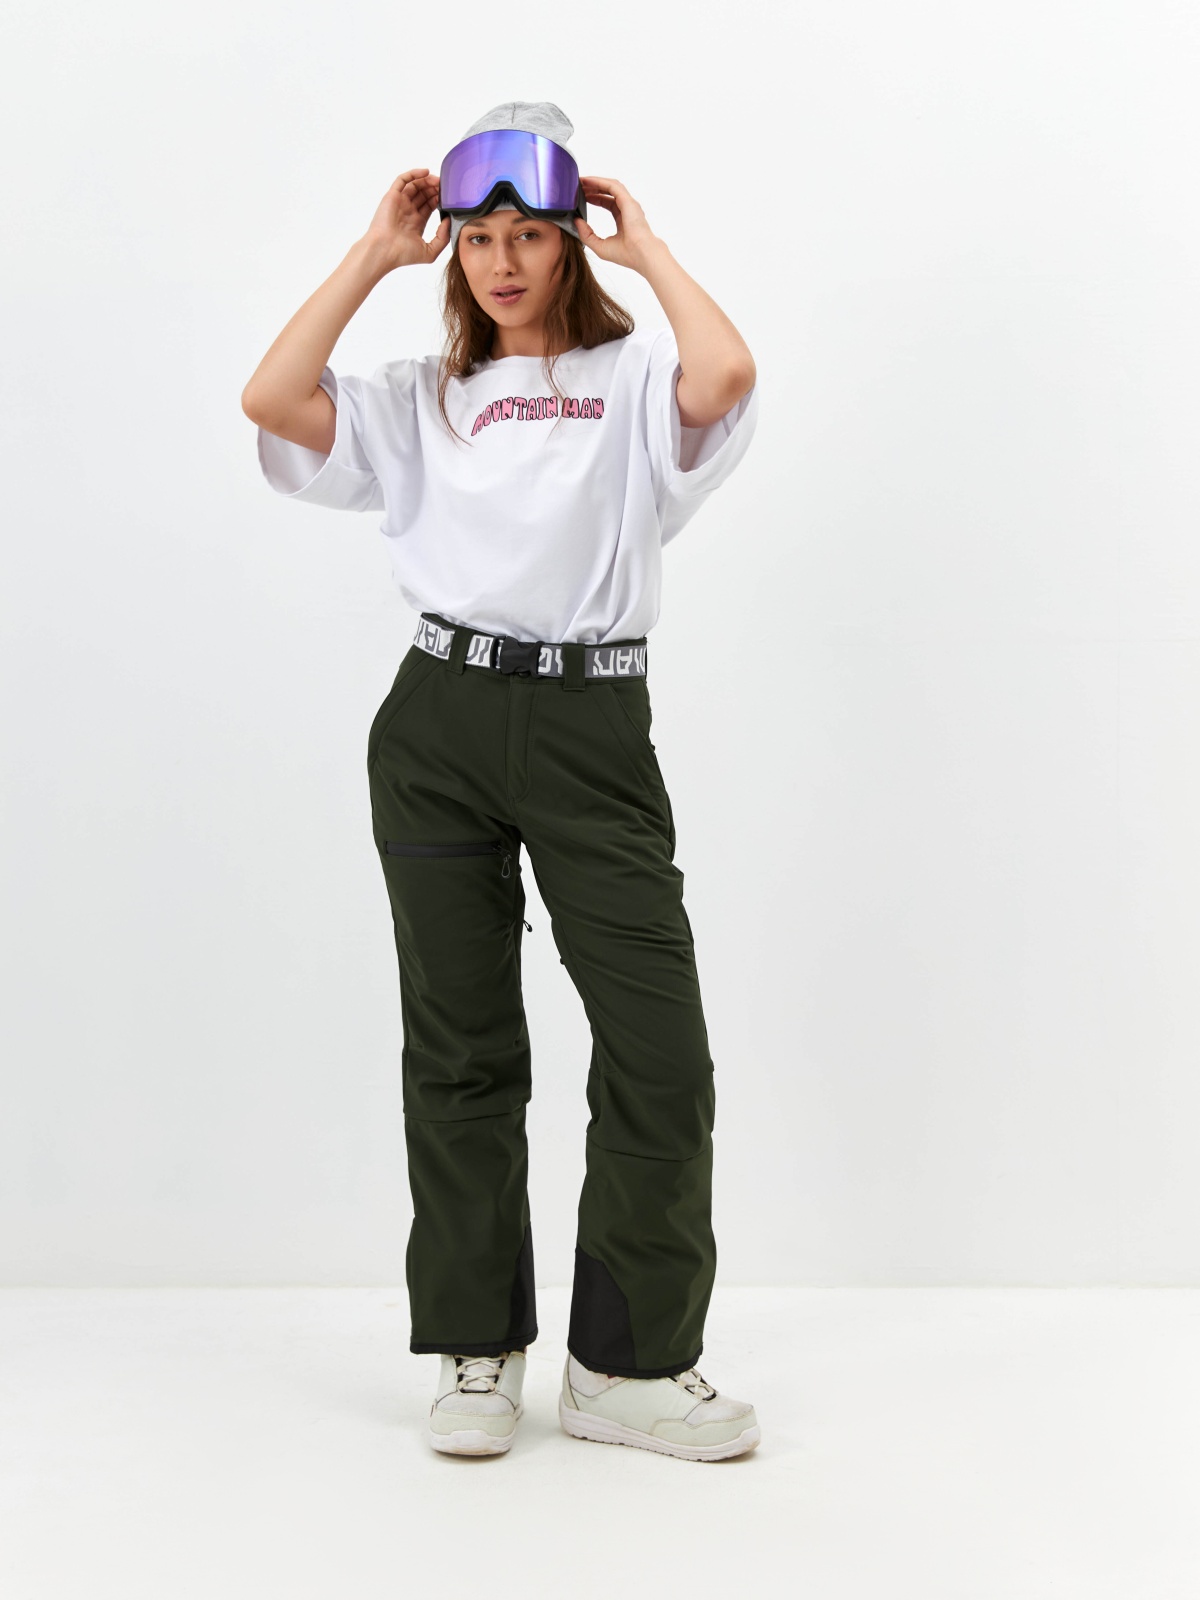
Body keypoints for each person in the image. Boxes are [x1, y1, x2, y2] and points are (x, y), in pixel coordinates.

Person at [241, 101, 761, 1462]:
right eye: (479, 238)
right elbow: (272, 402)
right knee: (462, 1048)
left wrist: (650, 251)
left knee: (659, 1051)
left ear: (573, 241)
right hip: (440, 725)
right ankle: (476, 1349)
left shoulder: (633, 378)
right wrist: (374, 254)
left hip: (593, 727)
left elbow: (726, 374)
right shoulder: (419, 396)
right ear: (453, 249)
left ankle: (627, 1368)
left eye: (530, 234)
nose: (504, 262)